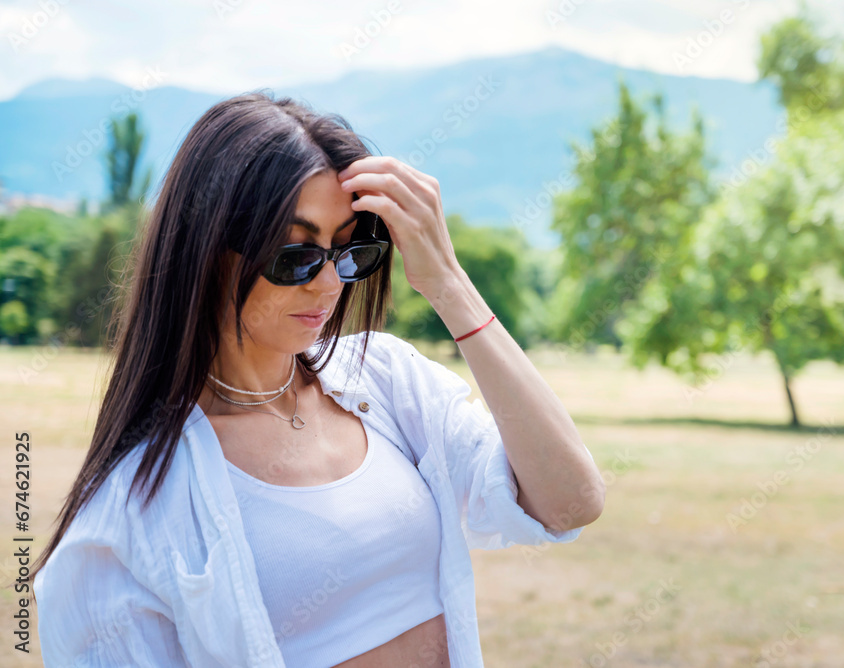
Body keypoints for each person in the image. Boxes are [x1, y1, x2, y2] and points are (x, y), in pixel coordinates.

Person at [26, 90, 605, 667]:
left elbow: (570, 501)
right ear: (207, 251)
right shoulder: (128, 514)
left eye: (351, 250)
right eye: (296, 255)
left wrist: (448, 281)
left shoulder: (388, 382)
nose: (330, 286)